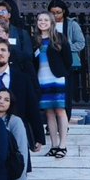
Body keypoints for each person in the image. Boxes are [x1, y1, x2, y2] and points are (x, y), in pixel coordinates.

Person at [33, 12, 73, 158]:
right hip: (41, 80)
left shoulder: (59, 38)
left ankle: (63, 145)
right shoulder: (35, 40)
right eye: (40, 20)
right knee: (49, 112)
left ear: (51, 22)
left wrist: (62, 73)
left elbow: (68, 60)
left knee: (60, 111)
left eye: (46, 20)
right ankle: (54, 145)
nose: (42, 22)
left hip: (57, 79)